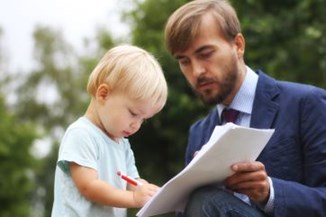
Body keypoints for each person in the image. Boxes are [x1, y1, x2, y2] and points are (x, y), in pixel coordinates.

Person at [164, 0, 326, 217]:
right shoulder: (199, 133)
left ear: (238, 45)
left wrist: (269, 192)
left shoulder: (307, 103)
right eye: (184, 61)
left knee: (205, 200)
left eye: (205, 54)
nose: (197, 71)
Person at [51, 44, 168, 217]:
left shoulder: (122, 145)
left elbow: (132, 181)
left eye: (144, 119)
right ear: (103, 94)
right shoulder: (81, 134)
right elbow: (88, 186)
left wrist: (148, 191)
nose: (137, 125)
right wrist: (134, 199)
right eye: (134, 113)